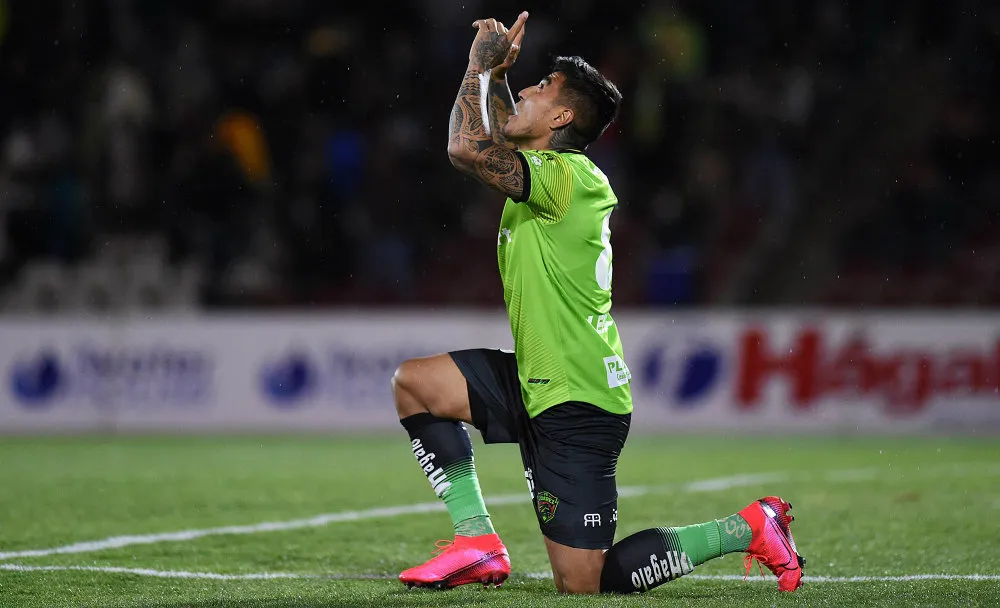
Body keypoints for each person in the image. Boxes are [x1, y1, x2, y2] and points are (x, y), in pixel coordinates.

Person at [392, 11, 805, 594]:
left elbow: (468, 147)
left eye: (541, 87)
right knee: (415, 384)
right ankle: (476, 542)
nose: (526, 92)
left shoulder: (569, 178)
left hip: (579, 401)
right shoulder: (546, 171)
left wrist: (477, 66)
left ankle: (748, 527)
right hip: (536, 379)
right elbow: (499, 133)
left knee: (583, 585)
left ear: (561, 117)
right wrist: (499, 76)